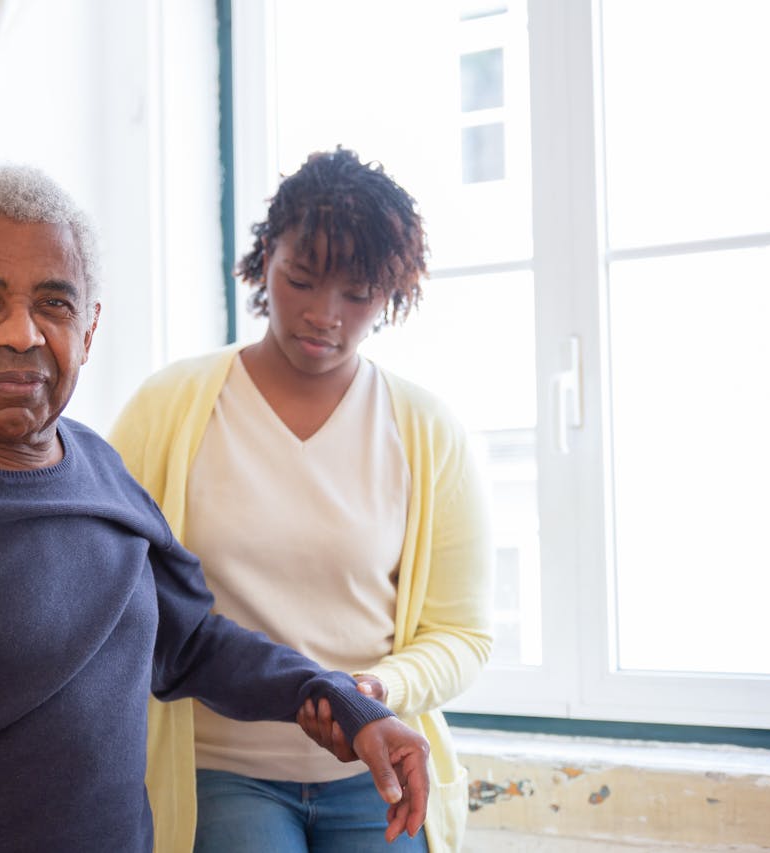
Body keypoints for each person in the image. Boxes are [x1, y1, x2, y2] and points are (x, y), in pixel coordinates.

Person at [0, 164, 431, 853]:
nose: (22, 333)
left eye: (54, 304)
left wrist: (341, 699)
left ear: (88, 330)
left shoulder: (100, 472)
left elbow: (189, 643)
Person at [108, 147, 494, 853]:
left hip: (375, 763)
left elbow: (463, 633)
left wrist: (376, 689)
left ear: (394, 291)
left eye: (356, 295)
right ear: (265, 258)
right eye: (302, 279)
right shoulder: (167, 409)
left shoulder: (427, 431)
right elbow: (112, 588)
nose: (324, 315)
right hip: (220, 766)